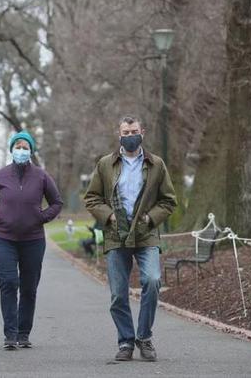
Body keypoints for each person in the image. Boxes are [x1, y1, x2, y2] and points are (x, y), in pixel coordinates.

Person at [84, 115, 176, 362]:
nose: (130, 135)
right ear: (119, 134)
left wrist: (149, 219)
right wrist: (110, 217)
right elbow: (92, 198)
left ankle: (144, 338)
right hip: (116, 235)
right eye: (125, 132)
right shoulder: (106, 164)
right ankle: (125, 341)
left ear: (142, 132)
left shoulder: (156, 164)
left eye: (134, 131)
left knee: (153, 280)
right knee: (118, 294)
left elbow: (168, 200)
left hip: (146, 235)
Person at [0, 130, 63, 350]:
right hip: (3, 238)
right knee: (8, 282)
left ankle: (24, 333)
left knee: (29, 287)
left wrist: (41, 218)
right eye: (17, 147)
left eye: (25, 147)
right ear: (11, 150)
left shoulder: (41, 176)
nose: (21, 150)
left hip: (33, 239)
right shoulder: (0, 175)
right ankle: (10, 334)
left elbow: (57, 202)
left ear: (31, 151)